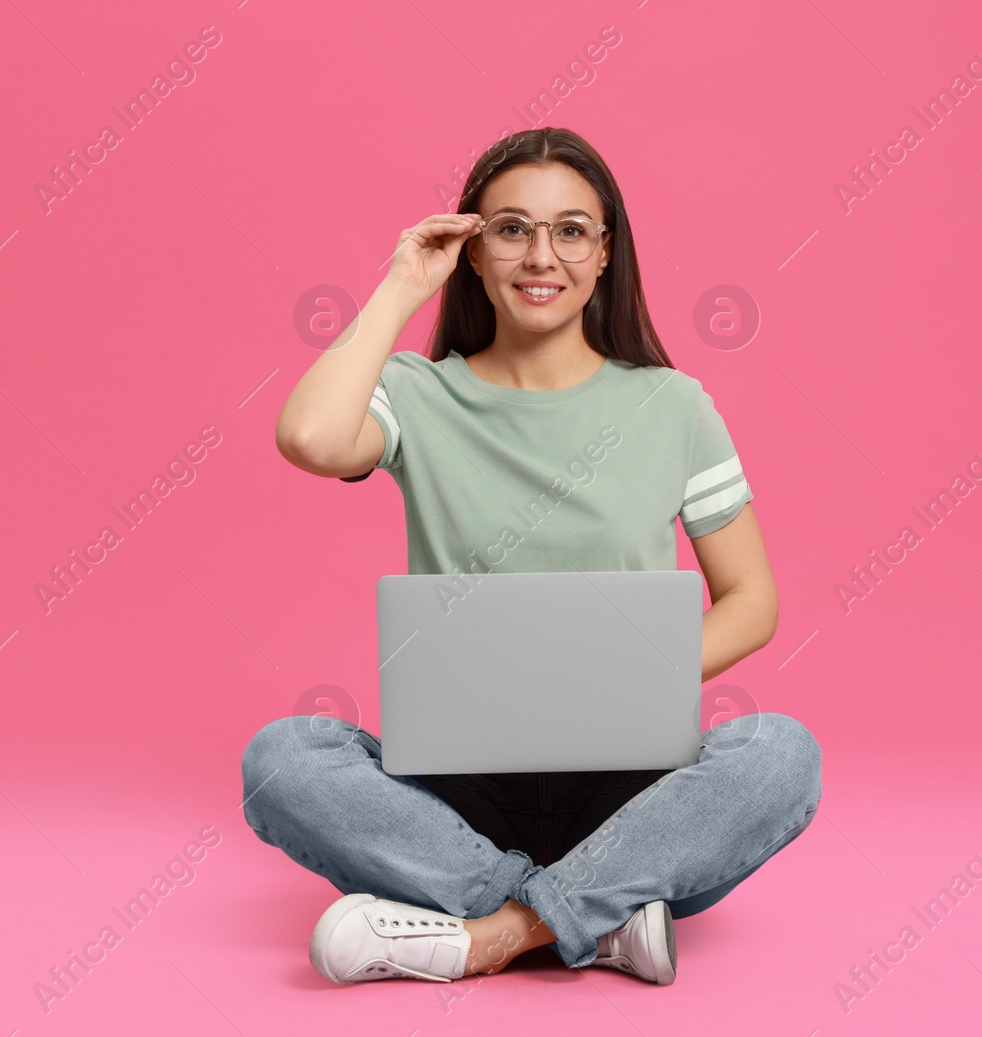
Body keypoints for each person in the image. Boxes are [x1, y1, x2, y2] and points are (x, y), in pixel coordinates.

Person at [243, 127, 821, 987]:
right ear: (473, 253)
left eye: (570, 230)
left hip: (628, 789)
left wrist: (631, 676)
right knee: (281, 758)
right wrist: (403, 282)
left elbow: (752, 600)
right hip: (455, 788)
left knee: (782, 751)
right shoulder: (418, 391)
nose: (539, 254)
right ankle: (591, 915)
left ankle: (489, 932)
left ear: (604, 255)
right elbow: (309, 435)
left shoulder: (675, 405)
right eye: (511, 228)